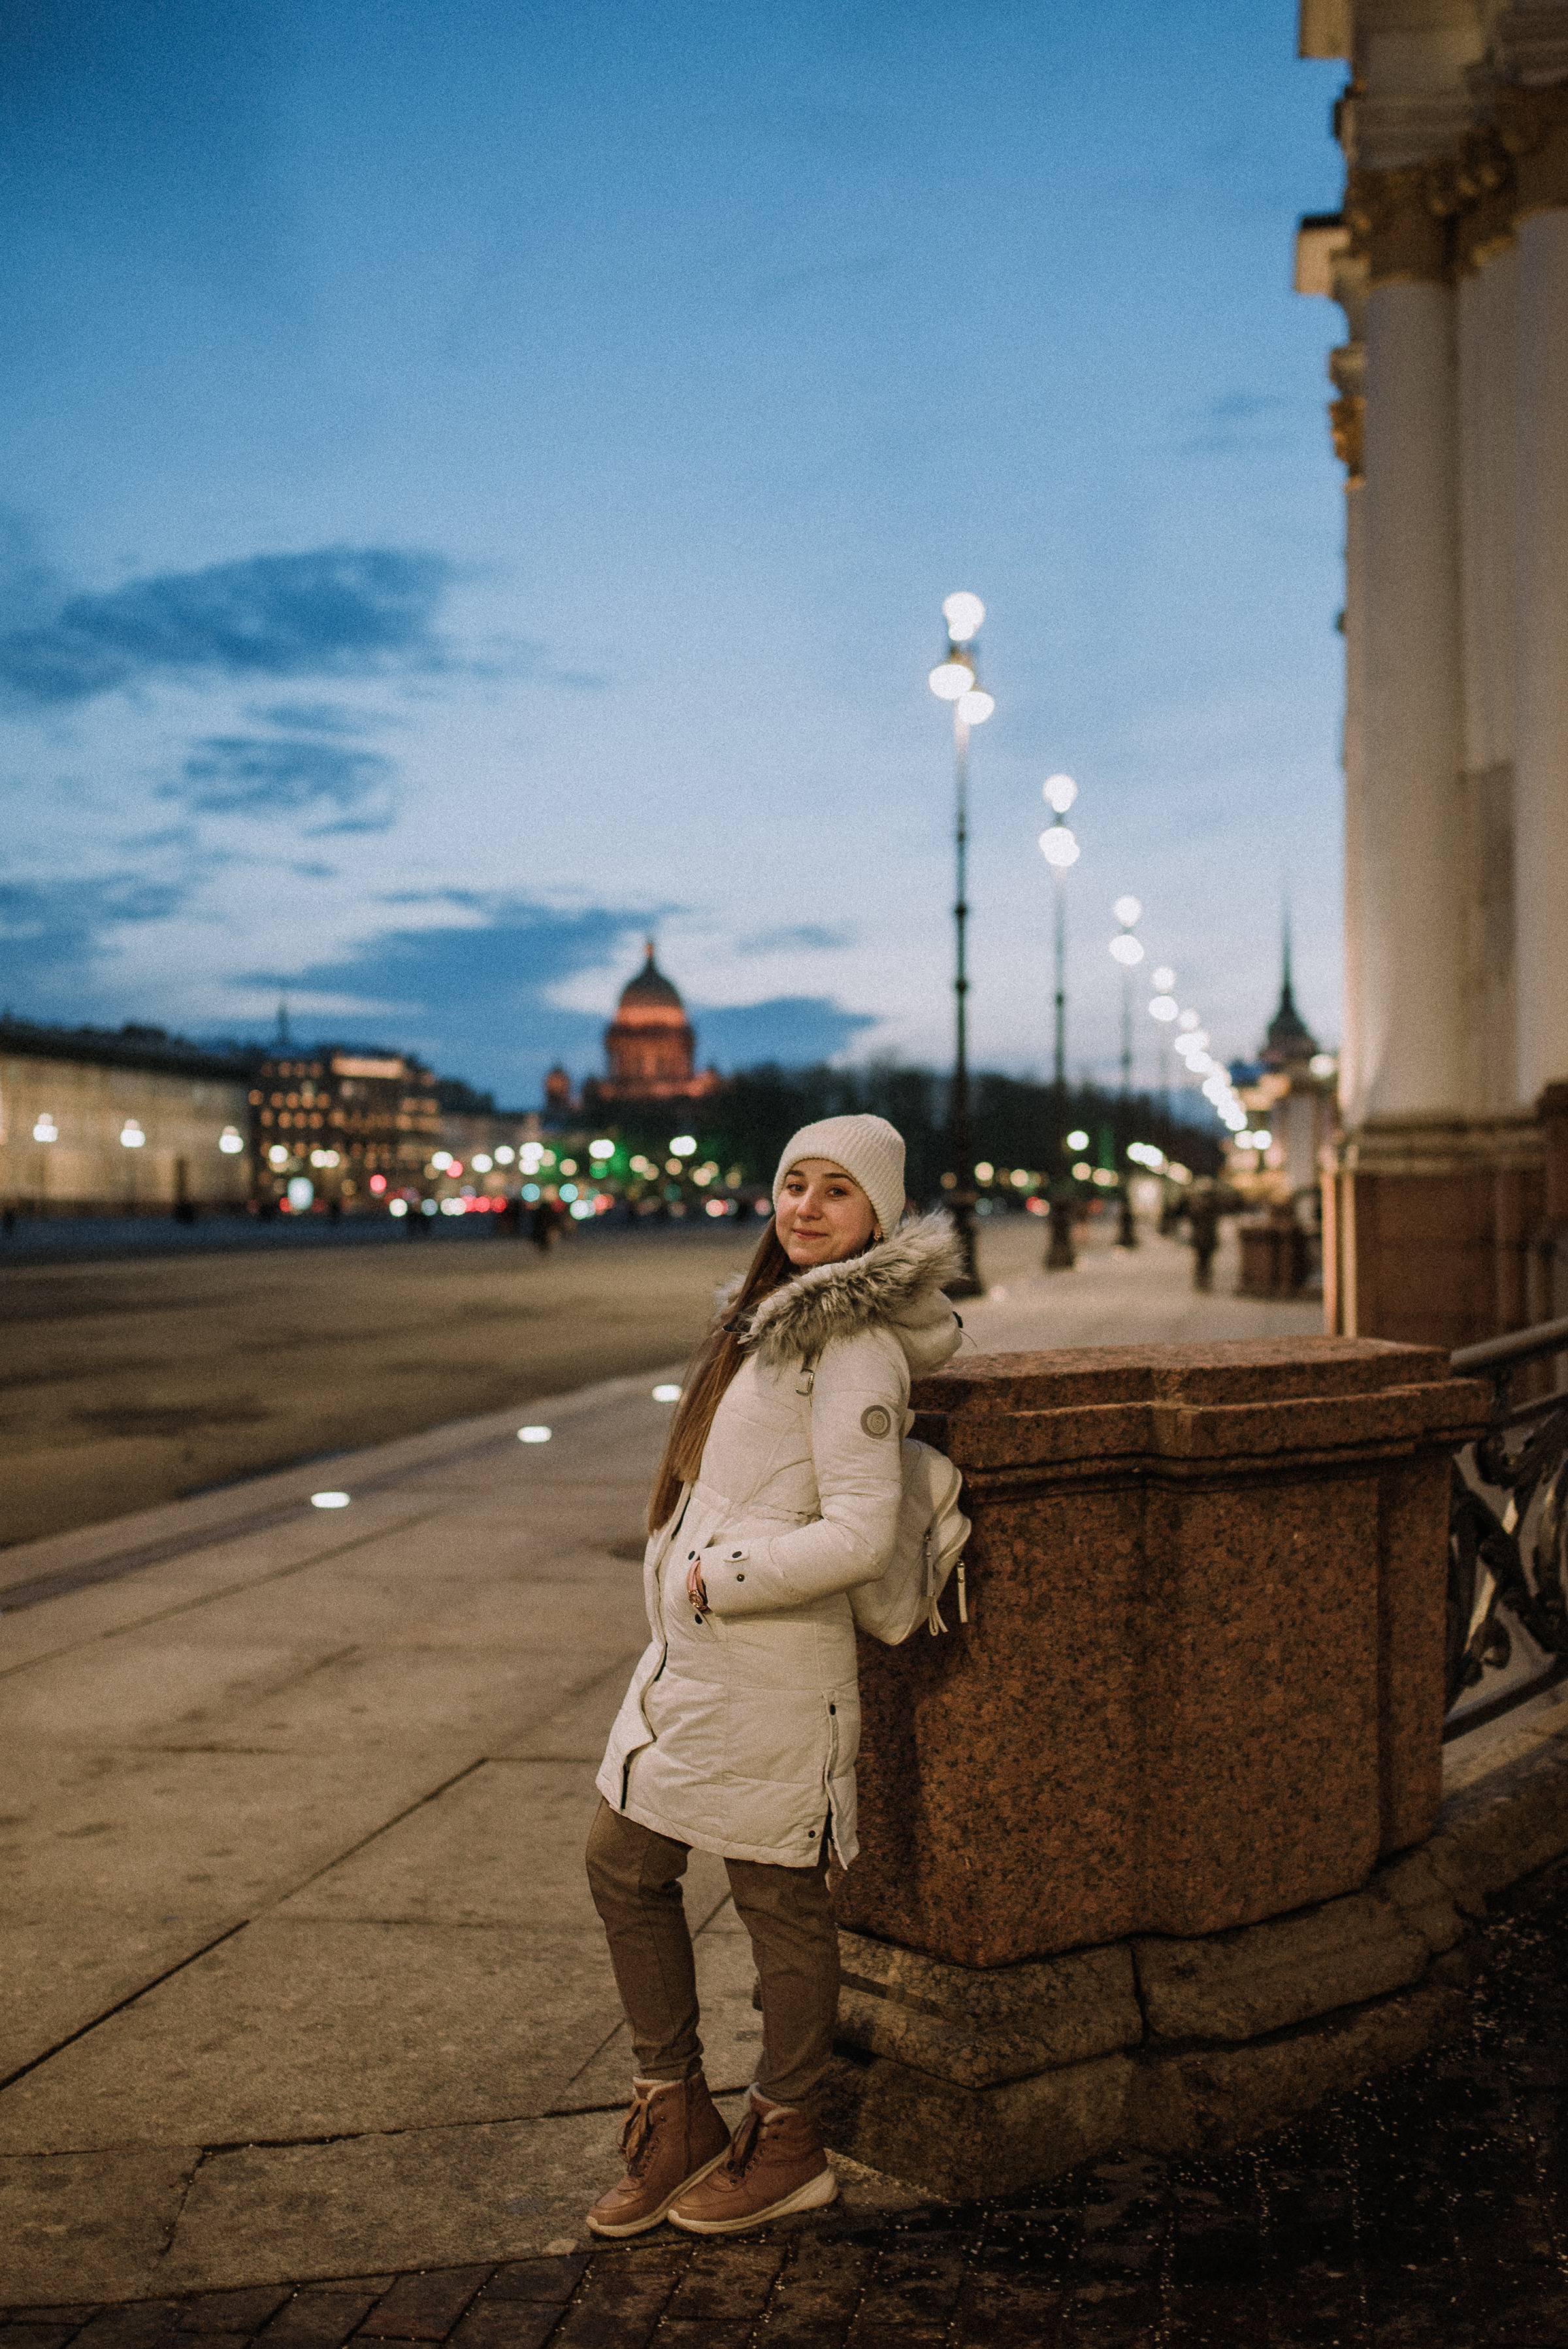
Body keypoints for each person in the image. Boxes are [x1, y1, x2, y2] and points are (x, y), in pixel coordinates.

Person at [583, 1114, 962, 2239]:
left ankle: (789, 2138)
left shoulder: (853, 1346)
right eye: (794, 1183)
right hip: (696, 1670)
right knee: (621, 1866)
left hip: (775, 1671)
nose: (804, 1207)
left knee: (779, 1904)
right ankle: (677, 2108)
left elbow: (858, 1532)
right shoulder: (774, 1326)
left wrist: (712, 1579)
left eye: (836, 1192)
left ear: (879, 1218)